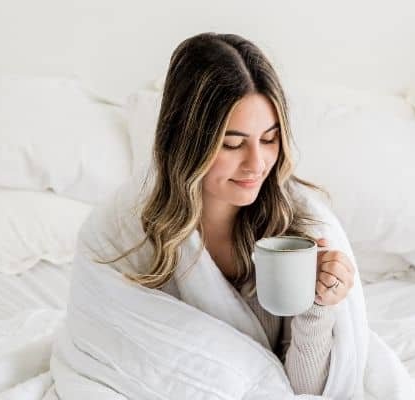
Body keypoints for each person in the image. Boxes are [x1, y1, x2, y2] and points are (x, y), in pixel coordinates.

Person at [102, 32, 356, 396]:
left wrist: (317, 305)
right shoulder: (130, 235)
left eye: (269, 140)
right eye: (233, 144)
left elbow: (305, 391)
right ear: (188, 142)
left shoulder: (296, 232)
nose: (257, 163)